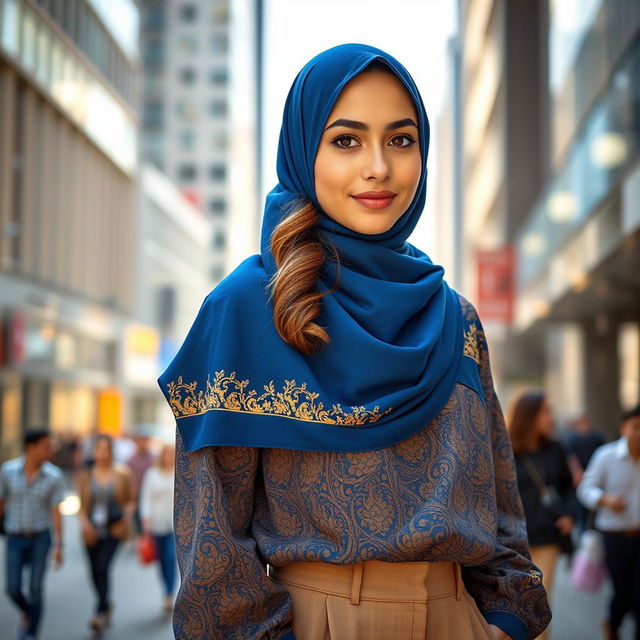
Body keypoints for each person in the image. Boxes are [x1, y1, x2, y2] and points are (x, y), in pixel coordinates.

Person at [158, 44, 551, 640]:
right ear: (303, 150)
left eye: (401, 139)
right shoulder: (246, 309)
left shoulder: (457, 319)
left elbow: (500, 507)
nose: (379, 167)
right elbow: (210, 538)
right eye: (346, 140)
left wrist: (505, 621)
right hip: (317, 621)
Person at [507, 391, 576, 640]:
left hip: (548, 538)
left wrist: (570, 514)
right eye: (546, 411)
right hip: (513, 542)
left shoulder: (555, 448)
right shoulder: (504, 449)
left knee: (540, 602)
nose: (551, 417)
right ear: (529, 416)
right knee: (513, 606)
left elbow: (568, 486)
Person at [577, 404, 640, 640]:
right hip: (614, 536)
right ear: (624, 428)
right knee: (622, 593)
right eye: (636, 427)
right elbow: (585, 489)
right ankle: (612, 625)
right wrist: (605, 500)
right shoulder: (606, 455)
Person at [0, 428, 65, 640]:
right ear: (31, 447)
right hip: (15, 537)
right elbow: (1, 502)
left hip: (40, 537)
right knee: (12, 588)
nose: (50, 450)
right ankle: (29, 612)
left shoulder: (54, 476)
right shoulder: (8, 471)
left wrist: (59, 545)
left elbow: (56, 512)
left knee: (36, 588)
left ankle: (31, 633)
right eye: (46, 446)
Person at [77, 434, 135, 631]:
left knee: (102, 567)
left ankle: (99, 612)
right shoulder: (86, 474)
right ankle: (106, 604)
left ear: (111, 451)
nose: (102, 453)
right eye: (99, 449)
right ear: (93, 452)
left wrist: (125, 520)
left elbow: (130, 501)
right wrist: (85, 525)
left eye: (106, 449)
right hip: (91, 530)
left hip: (113, 529)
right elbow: (81, 506)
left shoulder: (122, 473)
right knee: (93, 571)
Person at [140, 443, 176, 613]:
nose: (169, 457)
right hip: (156, 524)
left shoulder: (179, 473)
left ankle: (169, 594)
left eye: (171, 453)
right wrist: (145, 520)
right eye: (166, 453)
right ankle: (165, 590)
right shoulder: (151, 474)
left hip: (174, 525)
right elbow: (145, 498)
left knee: (170, 558)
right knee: (161, 560)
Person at [563, 414, 605, 533]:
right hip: (581, 477)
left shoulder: (597, 436)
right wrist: (576, 472)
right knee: (581, 507)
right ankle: (584, 533)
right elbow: (570, 457)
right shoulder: (571, 439)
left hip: (595, 475)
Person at [125, 435, 155, 536]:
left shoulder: (153, 459)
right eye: (140, 441)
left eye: (144, 441)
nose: (142, 444)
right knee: (138, 521)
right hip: (136, 495)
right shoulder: (131, 460)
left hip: (151, 495)